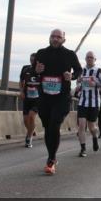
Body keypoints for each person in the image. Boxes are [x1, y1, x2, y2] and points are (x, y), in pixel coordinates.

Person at [33, 29, 83, 175]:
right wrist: (36, 70)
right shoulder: (41, 53)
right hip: (44, 97)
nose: (55, 39)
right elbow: (34, 71)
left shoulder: (69, 54)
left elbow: (79, 70)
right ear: (49, 38)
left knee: (55, 124)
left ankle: (51, 159)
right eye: (53, 36)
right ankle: (52, 156)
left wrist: (72, 76)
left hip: (62, 97)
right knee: (48, 127)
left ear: (63, 40)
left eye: (58, 37)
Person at [74, 51, 101, 157]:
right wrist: (79, 83)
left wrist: (96, 84)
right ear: (85, 59)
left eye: (91, 57)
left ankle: (94, 137)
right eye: (87, 57)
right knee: (81, 126)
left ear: (95, 59)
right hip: (82, 102)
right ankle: (83, 149)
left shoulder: (98, 71)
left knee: (92, 127)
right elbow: (78, 82)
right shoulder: (82, 70)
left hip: (94, 103)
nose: (89, 59)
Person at [19, 52, 42, 148]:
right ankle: (31, 131)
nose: (32, 61)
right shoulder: (25, 68)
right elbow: (21, 81)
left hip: (37, 99)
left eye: (34, 60)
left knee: (32, 116)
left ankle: (29, 138)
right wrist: (21, 91)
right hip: (27, 98)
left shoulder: (41, 70)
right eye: (31, 60)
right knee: (25, 120)